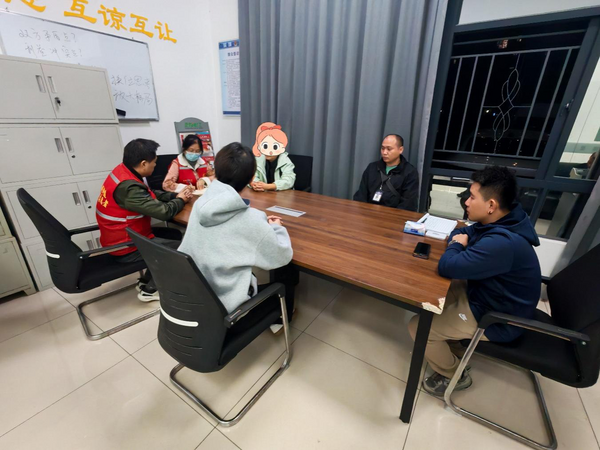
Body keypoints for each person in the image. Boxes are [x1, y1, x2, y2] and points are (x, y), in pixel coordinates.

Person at [408, 165, 541, 397]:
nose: (466, 202)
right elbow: (462, 232)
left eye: (472, 197)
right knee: (430, 292)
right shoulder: (505, 219)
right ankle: (455, 341)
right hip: (486, 293)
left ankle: (455, 375)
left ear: (491, 205)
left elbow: (448, 264)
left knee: (418, 327)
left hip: (497, 317)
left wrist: (456, 245)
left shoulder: (503, 243)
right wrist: (459, 242)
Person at [178, 142, 297, 332]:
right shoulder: (251, 218)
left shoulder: (201, 203)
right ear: (251, 177)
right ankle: (281, 318)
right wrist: (276, 228)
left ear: (216, 172)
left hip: (192, 293)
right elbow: (281, 255)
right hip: (227, 308)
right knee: (288, 273)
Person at [96, 138, 193, 302]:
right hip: (126, 245)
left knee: (173, 235)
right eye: (154, 163)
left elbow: (148, 194)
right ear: (143, 164)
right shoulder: (129, 187)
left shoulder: (123, 172)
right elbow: (164, 213)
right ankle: (150, 290)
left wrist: (174, 196)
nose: (155, 166)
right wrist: (181, 200)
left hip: (123, 235)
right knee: (182, 250)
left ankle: (146, 281)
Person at [353, 134, 419, 211]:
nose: (384, 152)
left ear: (400, 150)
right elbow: (361, 195)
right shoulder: (372, 167)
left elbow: (408, 204)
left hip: (393, 215)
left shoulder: (410, 172)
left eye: (389, 149)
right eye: (382, 148)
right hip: (368, 213)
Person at [250, 122, 296, 192]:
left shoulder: (285, 161)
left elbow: (289, 180)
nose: (270, 151)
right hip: (262, 193)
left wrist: (268, 186)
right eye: (266, 146)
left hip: (281, 194)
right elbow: (252, 176)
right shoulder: (258, 159)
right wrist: (254, 184)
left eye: (274, 147)